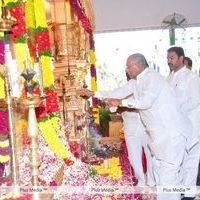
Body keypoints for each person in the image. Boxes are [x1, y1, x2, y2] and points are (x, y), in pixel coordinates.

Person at [105, 53, 193, 200]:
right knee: (162, 175)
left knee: (167, 176)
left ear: (137, 66)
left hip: (170, 135)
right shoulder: (139, 83)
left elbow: (144, 102)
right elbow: (118, 95)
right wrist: (97, 94)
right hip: (158, 136)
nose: (127, 70)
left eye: (128, 67)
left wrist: (120, 103)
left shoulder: (153, 80)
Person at [82, 73, 155, 187]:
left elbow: (145, 104)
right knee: (133, 156)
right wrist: (109, 103)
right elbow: (112, 107)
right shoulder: (126, 89)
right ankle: (141, 181)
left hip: (145, 127)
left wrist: (122, 105)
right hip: (130, 127)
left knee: (150, 154)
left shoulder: (147, 86)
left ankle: (151, 181)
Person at [167, 47, 200, 200]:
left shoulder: (191, 77)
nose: (169, 61)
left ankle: (189, 194)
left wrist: (176, 110)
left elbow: (195, 100)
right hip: (175, 126)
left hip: (191, 125)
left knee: (191, 161)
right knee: (178, 161)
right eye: (168, 58)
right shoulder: (169, 77)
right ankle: (180, 191)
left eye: (172, 58)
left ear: (182, 58)